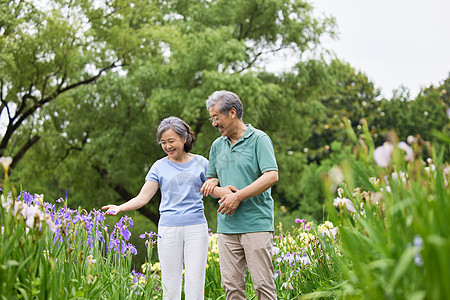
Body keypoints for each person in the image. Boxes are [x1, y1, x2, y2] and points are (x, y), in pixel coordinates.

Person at [103, 116, 216, 300]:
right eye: (163, 142)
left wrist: (226, 190)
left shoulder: (201, 163)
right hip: (168, 229)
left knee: (195, 283)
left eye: (171, 141)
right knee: (170, 285)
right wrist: (120, 208)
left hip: (196, 229)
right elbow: (142, 198)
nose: (167, 146)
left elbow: (213, 190)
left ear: (184, 138)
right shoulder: (159, 167)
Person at [200, 90, 279, 300]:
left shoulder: (259, 139)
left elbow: (271, 176)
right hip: (227, 227)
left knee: (263, 285)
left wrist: (238, 196)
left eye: (216, 118)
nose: (214, 124)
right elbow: (211, 181)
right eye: (211, 119)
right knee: (232, 289)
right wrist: (217, 187)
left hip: (256, 225)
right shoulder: (217, 146)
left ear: (232, 112)